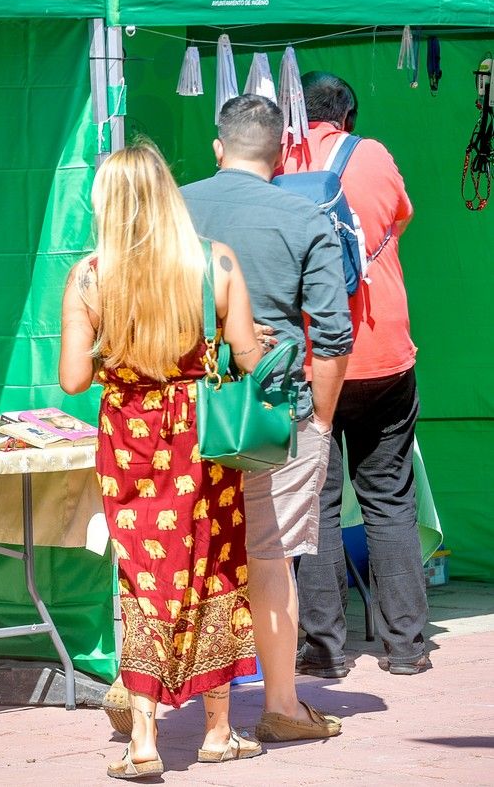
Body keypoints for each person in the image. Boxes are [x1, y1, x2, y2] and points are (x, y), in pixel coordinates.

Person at [60, 141, 265, 779]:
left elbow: (71, 379)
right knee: (214, 566)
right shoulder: (216, 264)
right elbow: (250, 361)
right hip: (200, 437)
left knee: (145, 578)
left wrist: (116, 357)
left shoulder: (90, 277)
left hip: (129, 439)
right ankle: (217, 732)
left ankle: (144, 740)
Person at [181, 93, 352, 743]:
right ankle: (280, 703)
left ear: (218, 148)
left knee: (183, 552)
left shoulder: (177, 209)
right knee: (271, 559)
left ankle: (149, 693)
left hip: (191, 409)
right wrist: (321, 423)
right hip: (274, 416)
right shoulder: (307, 217)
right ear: (283, 153)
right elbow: (333, 337)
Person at [283, 72, 429, 676]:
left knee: (315, 505)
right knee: (389, 500)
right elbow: (403, 215)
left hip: (316, 356)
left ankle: (323, 653)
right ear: (347, 113)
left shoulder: (280, 159)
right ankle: (407, 648)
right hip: (385, 351)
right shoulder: (371, 154)